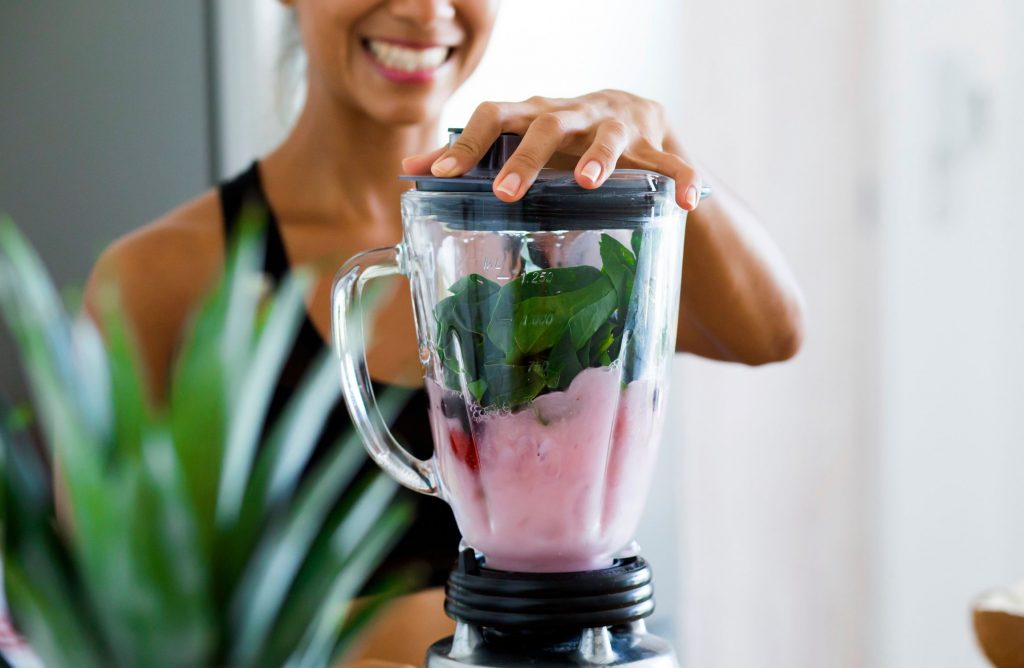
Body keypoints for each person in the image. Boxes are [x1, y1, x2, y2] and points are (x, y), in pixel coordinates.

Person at [85, 0, 805, 664]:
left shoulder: (556, 231)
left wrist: (659, 140)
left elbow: (772, 332)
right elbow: (118, 628)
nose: (427, 10)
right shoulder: (161, 277)